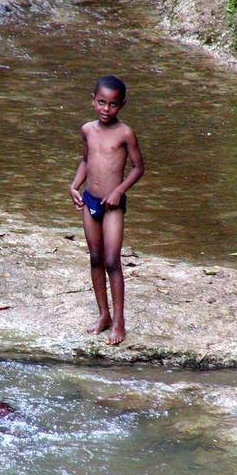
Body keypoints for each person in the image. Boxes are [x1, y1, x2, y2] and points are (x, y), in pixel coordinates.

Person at [70, 75, 145, 345]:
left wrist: (118, 191)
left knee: (113, 261)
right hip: (90, 201)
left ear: (121, 105)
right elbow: (85, 160)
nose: (105, 109)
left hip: (112, 206)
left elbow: (138, 167)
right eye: (101, 102)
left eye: (112, 105)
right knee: (95, 258)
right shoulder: (87, 130)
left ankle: (119, 321)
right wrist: (74, 186)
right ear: (93, 100)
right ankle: (103, 314)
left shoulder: (125, 133)